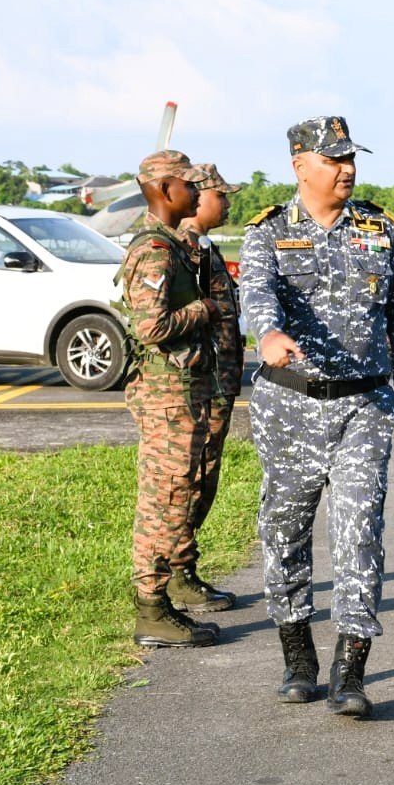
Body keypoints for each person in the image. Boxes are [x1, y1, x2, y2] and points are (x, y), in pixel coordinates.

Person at [239, 116, 394, 718]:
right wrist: (267, 333)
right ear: (300, 165)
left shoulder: (380, 230)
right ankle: (298, 654)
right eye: (333, 159)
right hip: (288, 403)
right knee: (285, 527)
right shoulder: (267, 233)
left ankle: (352, 669)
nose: (346, 169)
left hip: (364, 405)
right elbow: (257, 294)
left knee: (358, 531)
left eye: (350, 159)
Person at [117, 149, 230, 649]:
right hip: (166, 397)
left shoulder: (174, 246)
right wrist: (204, 310)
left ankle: (162, 598)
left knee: (177, 495)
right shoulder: (156, 250)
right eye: (188, 185)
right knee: (162, 501)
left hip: (181, 393)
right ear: (165, 190)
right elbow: (151, 326)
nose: (197, 193)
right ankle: (151, 608)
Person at [171, 162, 247, 603]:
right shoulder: (183, 250)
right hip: (198, 384)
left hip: (218, 381)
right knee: (190, 479)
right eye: (221, 194)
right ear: (197, 197)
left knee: (206, 477)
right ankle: (176, 571)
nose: (228, 202)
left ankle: (184, 566)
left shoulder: (205, 247)